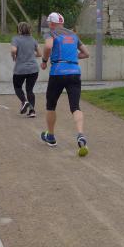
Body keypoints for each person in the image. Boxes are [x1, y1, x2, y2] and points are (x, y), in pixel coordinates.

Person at [39, 12, 90, 157]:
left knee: (51, 105)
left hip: (57, 72)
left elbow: (48, 46)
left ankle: (51, 136)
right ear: (62, 22)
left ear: (52, 23)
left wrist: (44, 61)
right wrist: (72, 56)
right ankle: (80, 135)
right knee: (75, 107)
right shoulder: (73, 35)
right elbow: (86, 53)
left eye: (49, 23)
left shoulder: (51, 33)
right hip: (74, 72)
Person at [10, 22, 41, 118]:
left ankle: (24, 101)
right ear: (29, 29)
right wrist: (31, 54)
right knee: (29, 90)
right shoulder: (33, 39)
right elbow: (39, 54)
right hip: (33, 69)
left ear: (19, 30)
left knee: (17, 87)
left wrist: (14, 56)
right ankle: (32, 111)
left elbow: (13, 50)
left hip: (20, 69)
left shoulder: (16, 39)